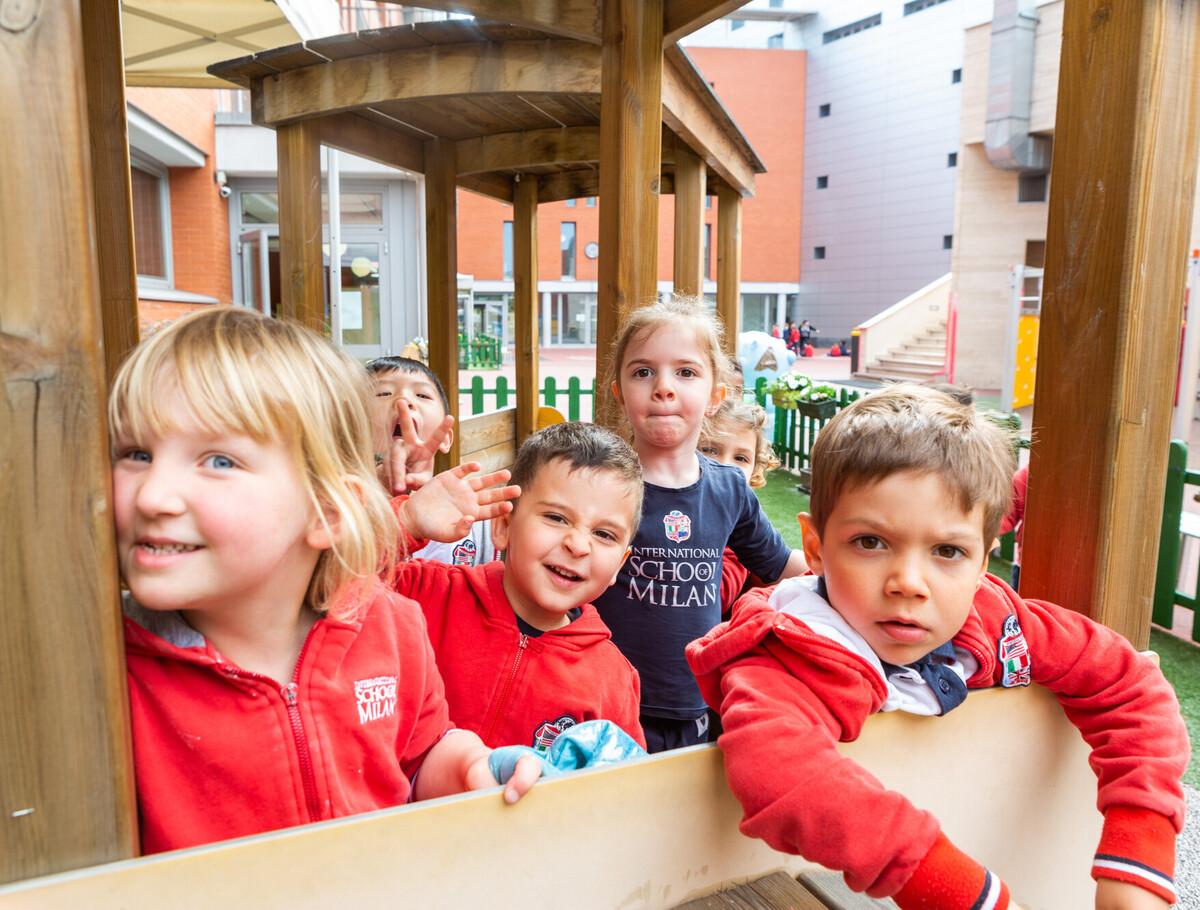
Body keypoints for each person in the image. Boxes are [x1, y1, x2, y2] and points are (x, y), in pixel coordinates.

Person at [686, 384, 1187, 910]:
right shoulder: (788, 651)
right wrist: (960, 890)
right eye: (871, 543)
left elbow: (1131, 686)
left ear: (982, 563)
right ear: (814, 548)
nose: (909, 582)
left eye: (948, 551)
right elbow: (779, 772)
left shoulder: (1000, 621)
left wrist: (1138, 859)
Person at [112, 308, 539, 855]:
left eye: (218, 461)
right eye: (136, 454)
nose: (152, 495)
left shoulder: (390, 626)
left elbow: (420, 755)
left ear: (327, 513)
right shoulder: (107, 672)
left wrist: (473, 769)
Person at [593, 296, 807, 753]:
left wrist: (845, 566)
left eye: (685, 372)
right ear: (619, 392)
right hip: (607, 703)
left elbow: (780, 564)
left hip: (697, 702)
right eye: (642, 371)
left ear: (715, 396)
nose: (663, 387)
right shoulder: (601, 485)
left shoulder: (730, 489)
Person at [390, 422, 647, 751]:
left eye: (604, 534)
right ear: (503, 526)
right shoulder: (428, 593)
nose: (579, 545)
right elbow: (332, 578)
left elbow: (620, 785)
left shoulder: (611, 677)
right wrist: (405, 521)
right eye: (556, 518)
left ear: (619, 566)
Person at [367, 355, 497, 566]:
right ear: (352, 429)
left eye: (422, 395)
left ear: (446, 439)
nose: (404, 401)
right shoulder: (340, 506)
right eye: (384, 393)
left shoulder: (469, 514)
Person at [699, 399, 784, 613]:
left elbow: (716, 596)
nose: (726, 466)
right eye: (709, 450)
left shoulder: (742, 531)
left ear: (755, 471)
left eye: (740, 458)